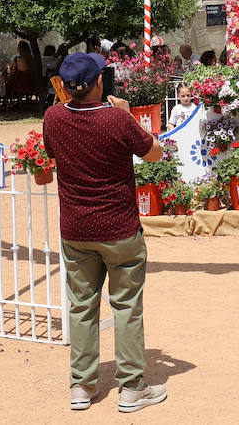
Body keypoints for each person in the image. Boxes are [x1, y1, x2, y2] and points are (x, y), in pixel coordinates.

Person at [42, 52, 167, 413]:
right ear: (99, 83)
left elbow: (51, 153)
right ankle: (131, 388)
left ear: (65, 87)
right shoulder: (117, 119)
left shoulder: (53, 118)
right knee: (126, 306)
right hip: (119, 228)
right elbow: (155, 153)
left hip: (76, 228)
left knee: (81, 306)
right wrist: (128, 115)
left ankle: (81, 386)